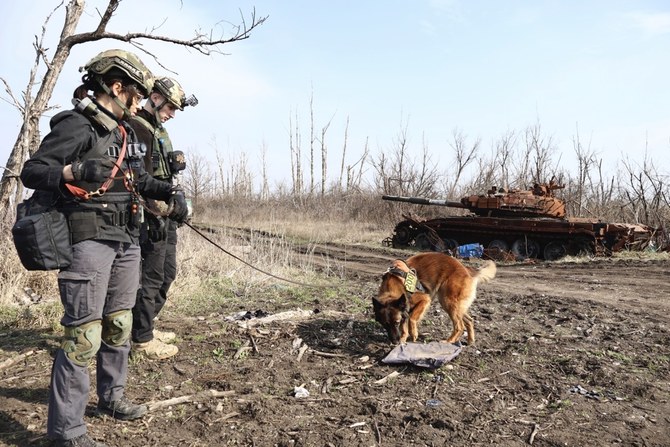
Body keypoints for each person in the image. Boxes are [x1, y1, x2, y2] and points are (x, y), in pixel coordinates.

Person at [19, 49, 189, 447]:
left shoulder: (126, 131)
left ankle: (112, 398)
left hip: (127, 240)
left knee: (119, 325)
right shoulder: (78, 126)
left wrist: (168, 191)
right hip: (89, 242)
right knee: (83, 336)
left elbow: (136, 180)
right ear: (117, 87)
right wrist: (72, 171)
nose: (140, 100)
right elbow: (32, 171)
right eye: (136, 92)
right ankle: (67, 432)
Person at [129, 76, 197, 360]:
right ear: (155, 98)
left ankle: (146, 326)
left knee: (167, 273)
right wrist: (170, 197)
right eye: (170, 107)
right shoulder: (137, 128)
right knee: (151, 278)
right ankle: (141, 340)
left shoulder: (157, 129)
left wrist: (178, 198)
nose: (171, 114)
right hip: (150, 216)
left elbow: (164, 175)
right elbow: (138, 181)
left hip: (164, 214)